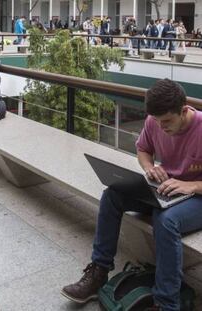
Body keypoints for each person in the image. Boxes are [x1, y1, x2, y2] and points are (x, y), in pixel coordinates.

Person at [61, 79, 202, 311]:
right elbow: (143, 149)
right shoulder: (154, 121)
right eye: (156, 121)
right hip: (166, 188)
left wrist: (192, 186)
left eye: (166, 121)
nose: (160, 126)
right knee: (112, 195)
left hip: (197, 195)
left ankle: (167, 303)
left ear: (184, 110)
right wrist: (149, 168)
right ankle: (98, 272)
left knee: (166, 221)